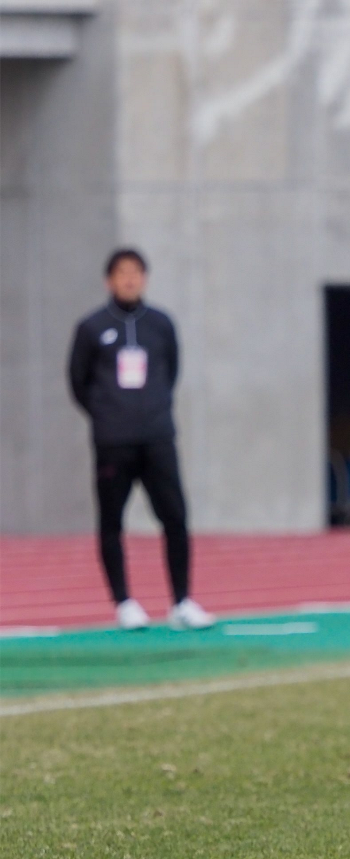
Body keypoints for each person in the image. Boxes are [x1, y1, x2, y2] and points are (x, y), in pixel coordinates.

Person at [68, 249, 215, 631]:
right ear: (109, 280)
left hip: (157, 436)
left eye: (136, 273)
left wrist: (152, 409)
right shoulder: (92, 327)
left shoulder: (161, 325)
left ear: (145, 278)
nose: (130, 279)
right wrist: (107, 415)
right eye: (122, 273)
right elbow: (77, 382)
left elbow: (172, 371)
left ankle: (182, 600)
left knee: (176, 517)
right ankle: (124, 603)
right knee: (112, 521)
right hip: (113, 441)